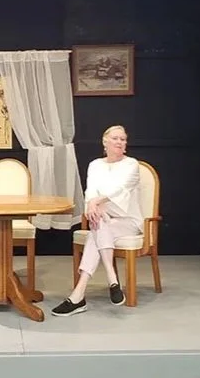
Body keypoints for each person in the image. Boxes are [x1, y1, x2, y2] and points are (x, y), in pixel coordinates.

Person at [51, 125, 142, 317]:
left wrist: (97, 202)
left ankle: (80, 296)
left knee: (96, 229)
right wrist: (91, 206)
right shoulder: (95, 165)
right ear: (105, 142)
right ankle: (104, 283)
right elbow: (90, 191)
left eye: (123, 139)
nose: (120, 142)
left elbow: (121, 189)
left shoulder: (132, 164)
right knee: (99, 225)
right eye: (115, 138)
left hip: (127, 221)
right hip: (103, 220)